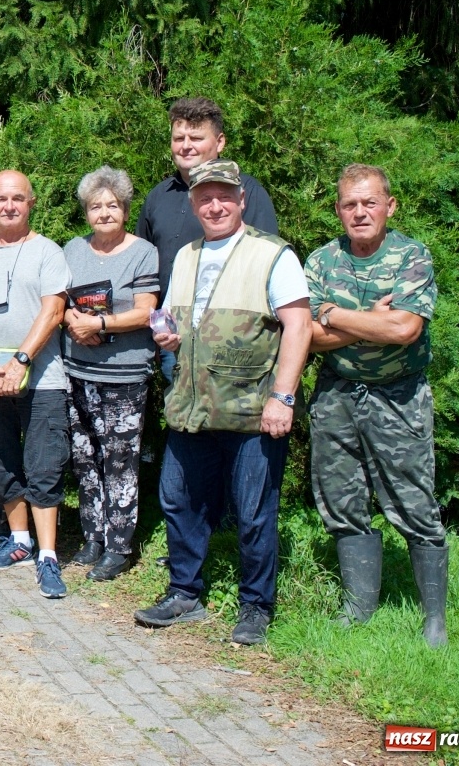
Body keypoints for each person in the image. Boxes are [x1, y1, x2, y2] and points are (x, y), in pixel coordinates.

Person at [133, 159, 311, 646]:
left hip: (252, 408)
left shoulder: (273, 255)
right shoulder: (188, 254)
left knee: (253, 511)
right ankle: (184, 594)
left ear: (241, 200)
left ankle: (256, 606)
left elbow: (299, 325)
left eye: (224, 196)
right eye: (205, 197)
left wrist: (283, 396)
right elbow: (167, 315)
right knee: (178, 498)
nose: (215, 205)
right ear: (193, 203)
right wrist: (164, 331)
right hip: (191, 406)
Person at [306, 164, 448, 646]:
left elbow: (406, 329)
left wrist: (335, 314)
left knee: (414, 503)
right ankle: (358, 608)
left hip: (399, 398)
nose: (360, 212)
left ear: (390, 206)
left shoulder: (412, 256)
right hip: (337, 395)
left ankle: (434, 620)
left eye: (369, 202)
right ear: (339, 210)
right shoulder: (322, 260)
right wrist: (371, 320)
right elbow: (306, 336)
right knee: (342, 501)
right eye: (350, 204)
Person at [0, 171, 71, 599]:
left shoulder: (48, 253)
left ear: (31, 202)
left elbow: (53, 310)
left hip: (42, 379)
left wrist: (22, 359)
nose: (9, 206)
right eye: (1, 199)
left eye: (18, 199)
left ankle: (48, 556)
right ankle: (19, 541)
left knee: (43, 463)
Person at [60, 166, 160, 581]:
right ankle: (93, 537)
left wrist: (99, 325)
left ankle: (119, 546)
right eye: (96, 206)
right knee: (85, 457)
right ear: (86, 212)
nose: (104, 213)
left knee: (120, 459)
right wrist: (72, 319)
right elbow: (58, 301)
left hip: (125, 373)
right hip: (76, 370)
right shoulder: (72, 249)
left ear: (125, 208)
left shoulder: (143, 252)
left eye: (112, 205)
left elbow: (147, 310)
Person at [136, 97, 278, 384]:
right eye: (179, 138)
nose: (186, 145)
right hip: (173, 342)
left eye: (196, 137)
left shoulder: (246, 192)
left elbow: (266, 265)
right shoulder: (157, 197)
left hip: (234, 341)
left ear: (220, 142)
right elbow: (143, 271)